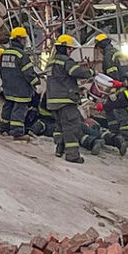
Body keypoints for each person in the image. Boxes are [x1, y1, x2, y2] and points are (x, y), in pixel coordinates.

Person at [46, 34, 94, 163]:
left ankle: (59, 149)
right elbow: (76, 72)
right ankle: (72, 155)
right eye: (70, 49)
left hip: (52, 101)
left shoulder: (51, 63)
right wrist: (90, 72)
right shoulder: (66, 61)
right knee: (72, 127)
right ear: (64, 48)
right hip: (66, 100)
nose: (71, 51)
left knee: (60, 127)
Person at [0, 27, 39, 139]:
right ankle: (17, 132)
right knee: (19, 110)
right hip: (21, 89)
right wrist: (36, 82)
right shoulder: (22, 55)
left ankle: (3, 128)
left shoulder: (4, 53)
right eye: (24, 39)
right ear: (20, 39)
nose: (25, 42)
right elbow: (29, 74)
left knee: (7, 107)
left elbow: (1, 70)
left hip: (8, 87)